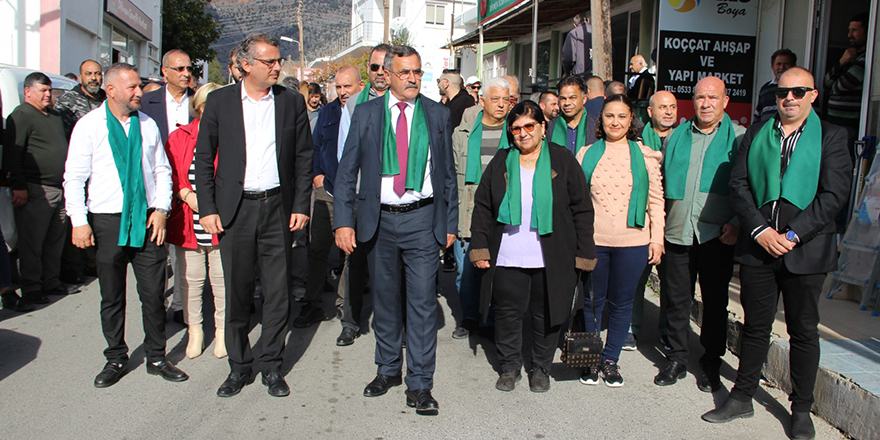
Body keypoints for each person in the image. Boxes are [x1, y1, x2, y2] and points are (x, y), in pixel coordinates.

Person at [703, 67, 851, 440]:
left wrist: (794, 234)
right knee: (755, 326)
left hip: (807, 249)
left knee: (803, 331)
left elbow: (834, 194)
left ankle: (801, 410)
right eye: (783, 93)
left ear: (813, 95)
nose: (789, 98)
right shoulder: (757, 133)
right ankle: (742, 397)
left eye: (798, 92)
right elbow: (738, 184)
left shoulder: (832, 136)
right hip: (759, 246)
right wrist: (761, 231)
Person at [334, 45, 457, 416]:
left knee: (422, 304)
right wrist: (343, 221)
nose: (413, 79)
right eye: (405, 72)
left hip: (422, 220)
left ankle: (420, 383)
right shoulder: (367, 113)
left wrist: (450, 223)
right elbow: (347, 171)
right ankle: (387, 369)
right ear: (387, 75)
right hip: (380, 221)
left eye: (417, 72)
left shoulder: (436, 113)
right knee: (385, 301)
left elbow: (447, 174)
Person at [195, 33, 312, 398]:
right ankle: (239, 366)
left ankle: (272, 365)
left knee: (278, 292)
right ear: (246, 65)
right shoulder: (220, 102)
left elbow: (304, 157)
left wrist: (300, 205)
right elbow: (203, 159)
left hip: (278, 207)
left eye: (279, 61)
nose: (277, 67)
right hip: (236, 209)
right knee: (238, 291)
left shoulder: (290, 102)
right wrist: (208, 209)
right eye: (269, 61)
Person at [63, 62, 188, 388]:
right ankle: (116, 357)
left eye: (139, 86)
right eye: (132, 87)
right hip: (108, 220)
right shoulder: (89, 126)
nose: (139, 92)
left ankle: (157, 357)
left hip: (147, 219)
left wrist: (161, 209)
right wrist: (79, 221)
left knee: (153, 294)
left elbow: (161, 171)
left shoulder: (147, 124)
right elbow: (74, 177)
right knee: (112, 295)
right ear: (111, 90)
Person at [470, 100, 596, 392]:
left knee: (547, 315)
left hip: (552, 255)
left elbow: (582, 209)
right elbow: (483, 207)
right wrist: (480, 246)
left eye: (529, 126)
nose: (523, 133)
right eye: (516, 128)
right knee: (507, 315)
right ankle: (510, 366)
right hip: (508, 254)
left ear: (542, 127)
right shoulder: (502, 161)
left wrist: (585, 252)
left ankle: (540, 368)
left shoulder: (563, 160)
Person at [654, 76, 745, 390]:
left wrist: (737, 222)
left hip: (717, 235)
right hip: (677, 231)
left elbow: (749, 186)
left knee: (715, 303)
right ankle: (676, 358)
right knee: (676, 301)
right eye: (700, 98)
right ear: (693, 101)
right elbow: (661, 184)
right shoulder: (676, 136)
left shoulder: (739, 138)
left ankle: (710, 362)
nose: (706, 104)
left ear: (725, 101)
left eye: (713, 97)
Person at [574, 94, 664, 387]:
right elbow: (575, 200)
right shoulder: (586, 154)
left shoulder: (646, 156)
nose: (615, 122)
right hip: (594, 241)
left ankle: (610, 360)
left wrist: (657, 239)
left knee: (622, 304)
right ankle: (590, 359)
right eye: (609, 116)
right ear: (600, 120)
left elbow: (656, 201)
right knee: (592, 303)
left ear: (631, 120)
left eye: (622, 116)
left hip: (634, 242)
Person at [3, 72, 79, 306]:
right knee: (32, 243)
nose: (48, 95)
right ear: (27, 92)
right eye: (42, 90)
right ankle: (32, 287)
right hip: (36, 188)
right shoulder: (22, 115)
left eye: (49, 90)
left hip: (60, 188)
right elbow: (13, 152)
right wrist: (18, 185)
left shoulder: (54, 115)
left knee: (54, 240)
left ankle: (51, 281)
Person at [163, 82, 226, 360]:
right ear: (198, 107)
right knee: (191, 279)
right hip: (189, 218)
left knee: (221, 280)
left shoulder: (231, 137)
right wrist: (187, 195)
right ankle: (195, 330)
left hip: (221, 219)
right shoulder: (179, 137)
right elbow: (170, 173)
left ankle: (222, 331)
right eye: (208, 105)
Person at [297, 66, 363, 329]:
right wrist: (317, 176)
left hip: (355, 193)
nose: (343, 92)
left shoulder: (367, 111)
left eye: (348, 86)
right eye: (339, 87)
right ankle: (312, 303)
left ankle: (344, 306)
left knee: (350, 252)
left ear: (360, 86)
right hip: (327, 190)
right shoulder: (327, 112)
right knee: (318, 249)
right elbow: (314, 148)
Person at [335, 43, 391, 347]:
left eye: (385, 66)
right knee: (355, 263)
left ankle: (397, 325)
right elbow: (345, 157)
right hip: (362, 197)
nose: (380, 72)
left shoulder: (408, 101)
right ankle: (351, 322)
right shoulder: (354, 104)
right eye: (374, 67)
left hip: (396, 199)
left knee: (395, 266)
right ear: (367, 70)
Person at [450, 77, 512, 339]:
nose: (501, 105)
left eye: (506, 100)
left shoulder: (515, 133)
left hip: (503, 214)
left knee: (499, 272)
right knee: (466, 272)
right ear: (482, 101)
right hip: (468, 211)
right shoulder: (462, 134)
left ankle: (492, 320)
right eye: (495, 99)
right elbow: (451, 178)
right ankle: (469, 317)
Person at [624, 89, 678, 351]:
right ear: (649, 111)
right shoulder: (635, 140)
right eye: (662, 107)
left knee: (672, 283)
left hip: (675, 221)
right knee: (635, 278)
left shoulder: (683, 138)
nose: (668, 112)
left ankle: (668, 332)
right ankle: (630, 329)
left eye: (672, 107)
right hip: (643, 220)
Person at [823, 12, 868, 162]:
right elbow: (826, 84)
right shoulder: (849, 58)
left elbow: (840, 86)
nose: (849, 35)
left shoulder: (866, 59)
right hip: (833, 123)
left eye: (855, 30)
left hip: (849, 127)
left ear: (867, 32)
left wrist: (832, 88)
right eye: (849, 30)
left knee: (840, 165)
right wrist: (841, 62)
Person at [141, 49, 196, 143]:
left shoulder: (200, 103)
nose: (186, 74)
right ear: (165, 71)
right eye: (180, 69)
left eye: (189, 69)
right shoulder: (145, 103)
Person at [55, 60, 106, 139]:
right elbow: (60, 133)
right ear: (80, 78)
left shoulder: (108, 101)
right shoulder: (68, 101)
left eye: (97, 74)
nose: (93, 78)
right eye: (88, 74)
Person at [547, 76, 597, 154]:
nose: (567, 103)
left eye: (572, 98)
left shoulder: (596, 126)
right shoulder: (549, 128)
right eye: (563, 98)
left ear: (584, 99)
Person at [754, 49, 796, 124]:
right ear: (772, 67)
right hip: (766, 131)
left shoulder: (802, 88)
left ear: (793, 66)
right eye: (778, 64)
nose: (782, 67)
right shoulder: (765, 89)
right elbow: (757, 118)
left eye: (786, 64)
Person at [561, 13, 592, 78]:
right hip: (599, 74)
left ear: (575, 25)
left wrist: (567, 72)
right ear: (588, 20)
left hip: (581, 76)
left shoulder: (573, 34)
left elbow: (568, 57)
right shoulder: (598, 31)